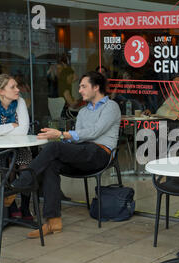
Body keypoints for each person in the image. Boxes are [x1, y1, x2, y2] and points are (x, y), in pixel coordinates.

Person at [11, 71, 121, 238]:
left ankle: (17, 187)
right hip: (82, 153)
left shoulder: (111, 107)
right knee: (51, 163)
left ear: (96, 87)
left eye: (84, 86)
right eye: (80, 87)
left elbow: (95, 132)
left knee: (55, 147)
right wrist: (63, 140)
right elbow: (79, 137)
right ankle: (53, 221)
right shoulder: (83, 112)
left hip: (101, 154)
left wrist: (62, 136)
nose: (80, 90)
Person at [0, 73, 33, 223]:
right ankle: (12, 205)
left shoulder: (20, 102)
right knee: (8, 164)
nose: (18, 90)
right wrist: (11, 125)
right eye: (13, 87)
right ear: (1, 91)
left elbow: (23, 130)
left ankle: (25, 206)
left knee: (24, 166)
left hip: (20, 146)